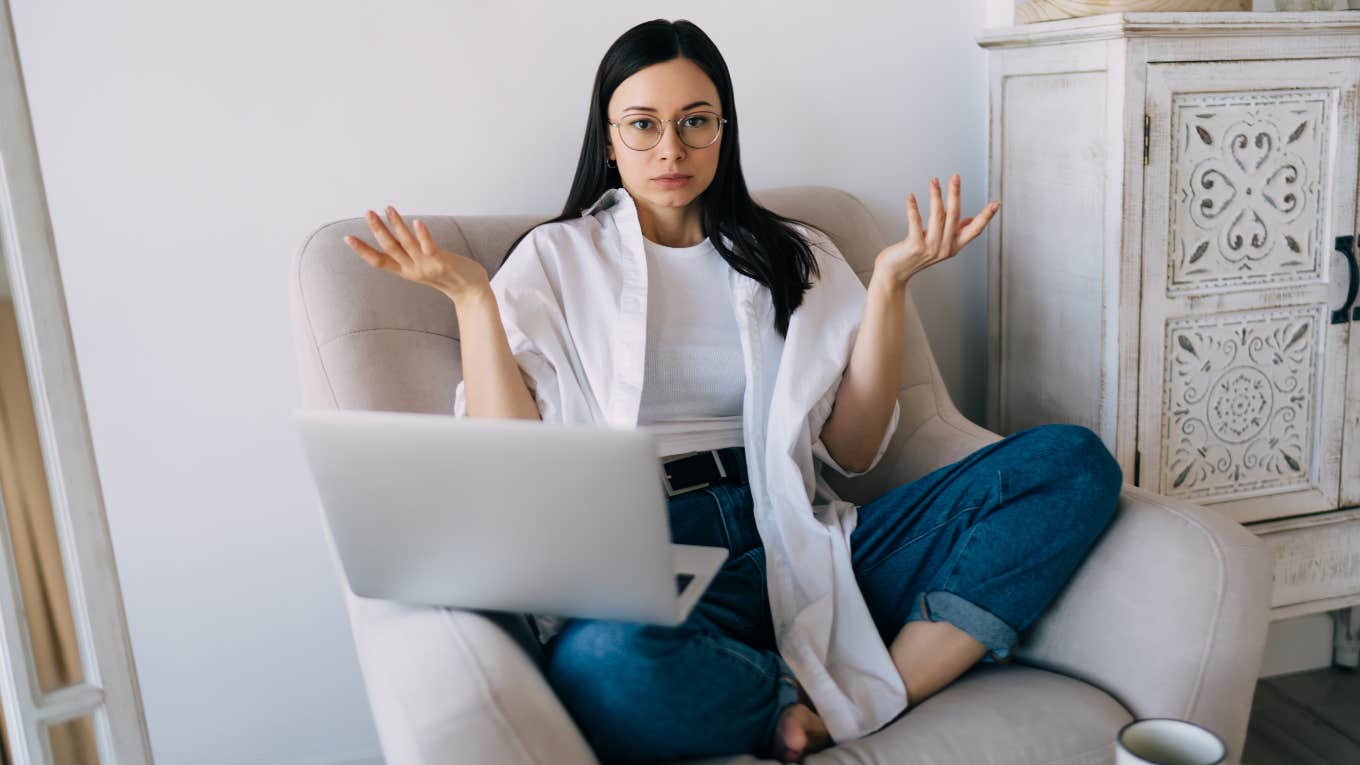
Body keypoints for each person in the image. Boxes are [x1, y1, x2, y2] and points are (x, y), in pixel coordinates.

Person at [340, 17, 1123, 765]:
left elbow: (850, 450)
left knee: (1071, 462)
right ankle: (783, 690)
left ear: (725, 129)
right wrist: (473, 299)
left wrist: (889, 283)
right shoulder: (554, 259)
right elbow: (509, 459)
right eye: (642, 124)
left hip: (795, 531)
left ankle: (867, 697)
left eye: (695, 121)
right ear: (610, 142)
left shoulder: (796, 254)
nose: (670, 146)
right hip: (648, 552)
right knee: (605, 663)